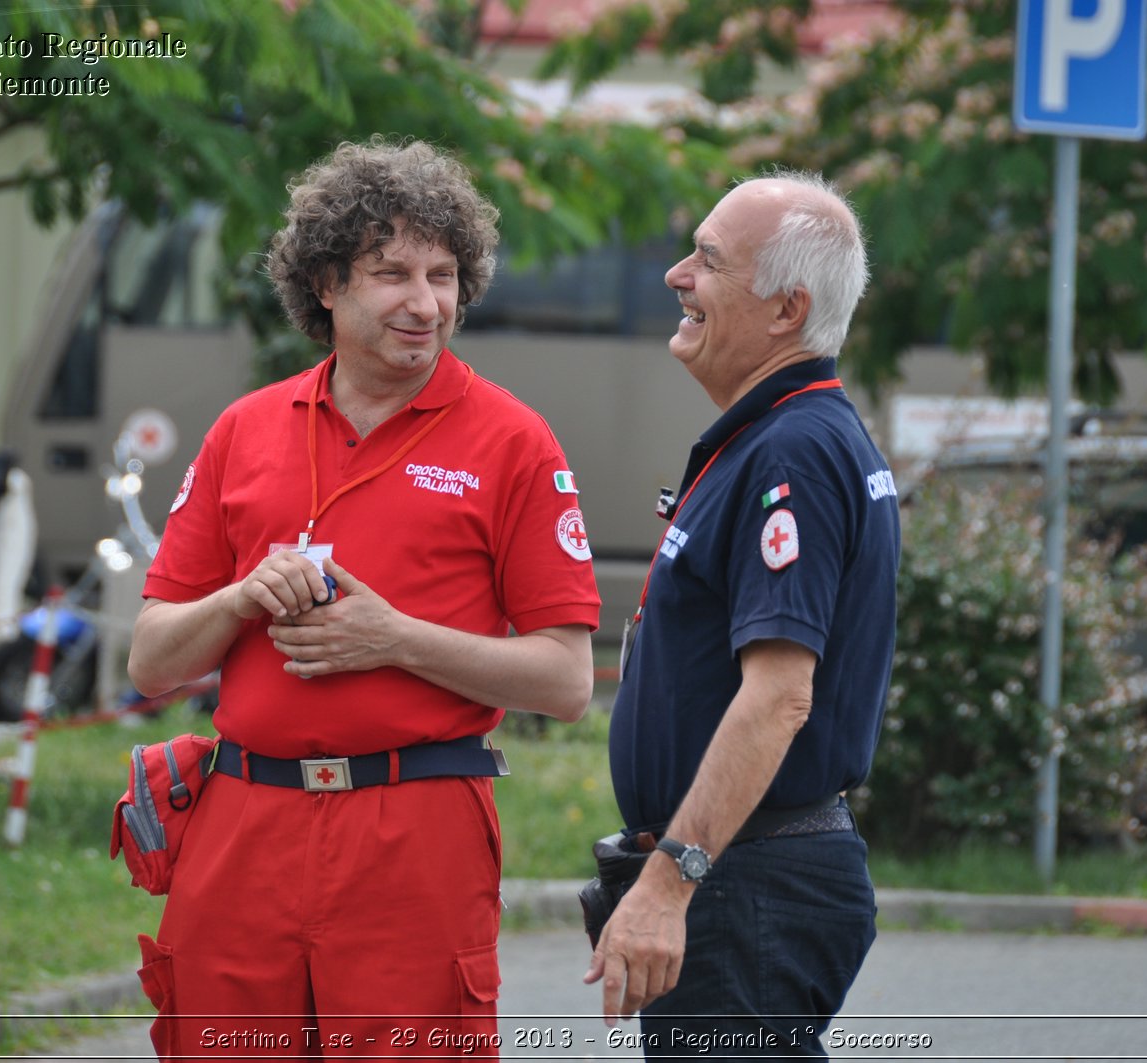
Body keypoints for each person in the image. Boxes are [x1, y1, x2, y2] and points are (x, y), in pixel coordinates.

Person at [126, 137, 600, 1058]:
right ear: (327, 284)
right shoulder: (244, 429)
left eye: (444, 274)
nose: (426, 303)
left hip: (415, 829)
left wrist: (395, 637)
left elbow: (566, 680)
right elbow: (149, 662)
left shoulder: (514, 440)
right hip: (241, 827)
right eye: (392, 273)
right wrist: (238, 600)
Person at [585, 171, 900, 1053]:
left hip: (746, 879)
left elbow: (779, 697)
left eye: (709, 261)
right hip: (750, 873)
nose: (676, 275)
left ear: (787, 309)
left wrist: (670, 880)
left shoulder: (792, 448)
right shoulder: (782, 435)